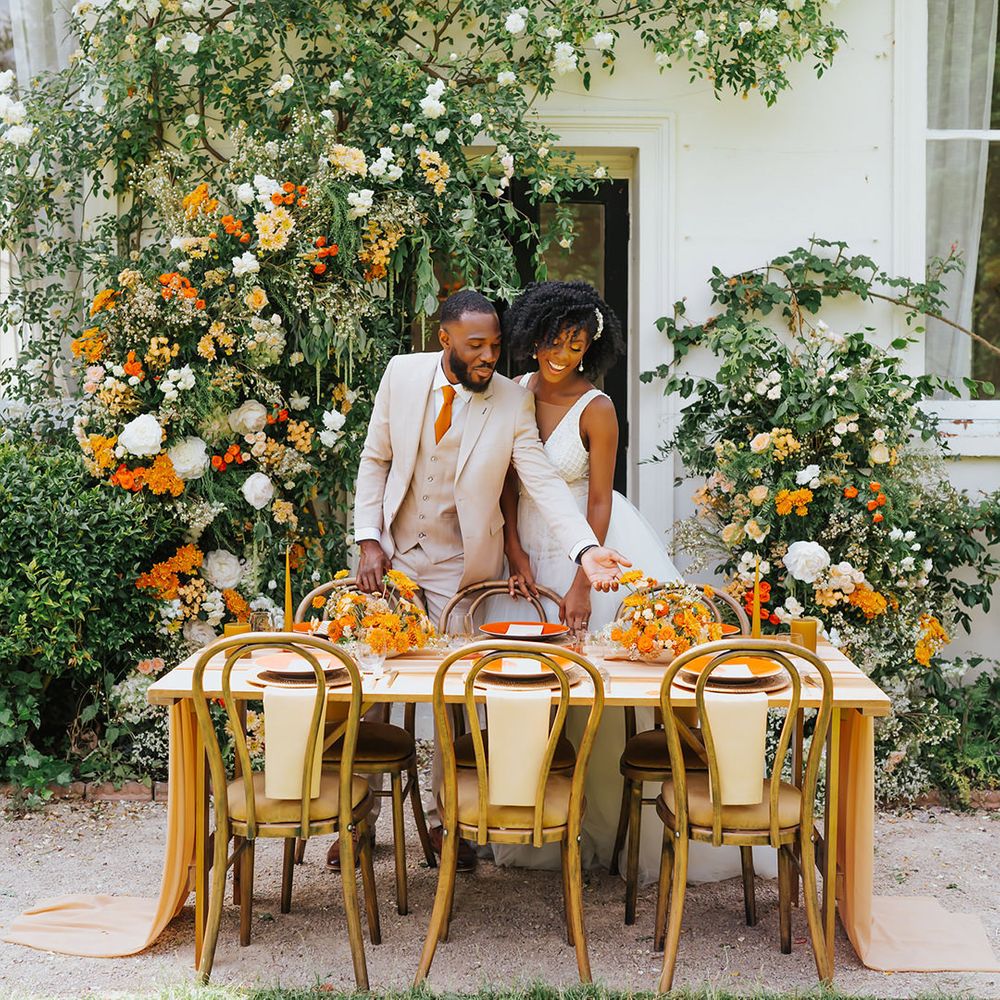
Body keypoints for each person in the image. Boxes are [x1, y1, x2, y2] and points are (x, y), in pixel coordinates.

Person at [342, 287, 632, 870]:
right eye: (476, 345)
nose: (488, 357)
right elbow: (375, 460)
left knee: (460, 696)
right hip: (392, 554)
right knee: (368, 690)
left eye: (496, 346)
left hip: (461, 567)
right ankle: (355, 823)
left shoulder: (509, 401)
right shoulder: (401, 375)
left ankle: (453, 827)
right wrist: (368, 538)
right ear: (443, 338)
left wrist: (585, 551)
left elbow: (544, 482)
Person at [482, 280, 683, 877]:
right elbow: (508, 483)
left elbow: (598, 502)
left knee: (592, 687)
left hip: (586, 549)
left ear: (588, 347)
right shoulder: (511, 393)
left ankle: (601, 828)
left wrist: (581, 579)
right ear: (533, 336)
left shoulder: (597, 408)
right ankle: (529, 824)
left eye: (574, 343)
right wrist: (513, 550)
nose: (560, 354)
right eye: (551, 340)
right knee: (522, 686)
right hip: (522, 548)